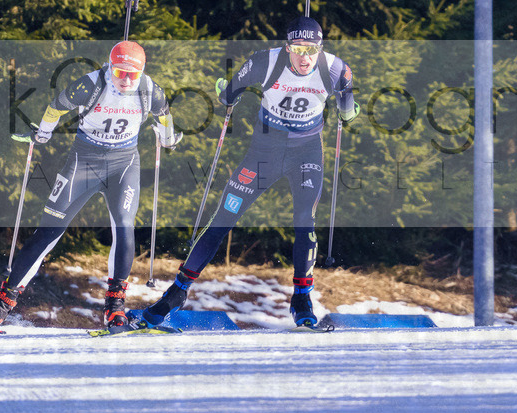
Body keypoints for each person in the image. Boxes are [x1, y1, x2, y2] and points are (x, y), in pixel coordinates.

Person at [128, 16, 358, 330]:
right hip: (265, 152)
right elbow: (227, 94)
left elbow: (348, 110)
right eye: (297, 48)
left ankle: (302, 298)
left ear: (320, 48)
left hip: (306, 153)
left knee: (305, 219)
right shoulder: (264, 63)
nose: (305, 57)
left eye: (312, 49)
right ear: (286, 46)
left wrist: (349, 108)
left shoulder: (334, 70)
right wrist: (229, 92)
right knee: (224, 217)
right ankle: (175, 293)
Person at [0, 41, 182, 333]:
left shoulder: (149, 90)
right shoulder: (91, 84)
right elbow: (56, 106)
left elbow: (165, 115)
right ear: (110, 67)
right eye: (119, 72)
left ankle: (115, 307)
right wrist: (43, 133)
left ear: (142, 72)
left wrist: (167, 138)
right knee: (49, 230)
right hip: (84, 161)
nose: (125, 80)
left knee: (124, 225)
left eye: (133, 75)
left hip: (124, 164)